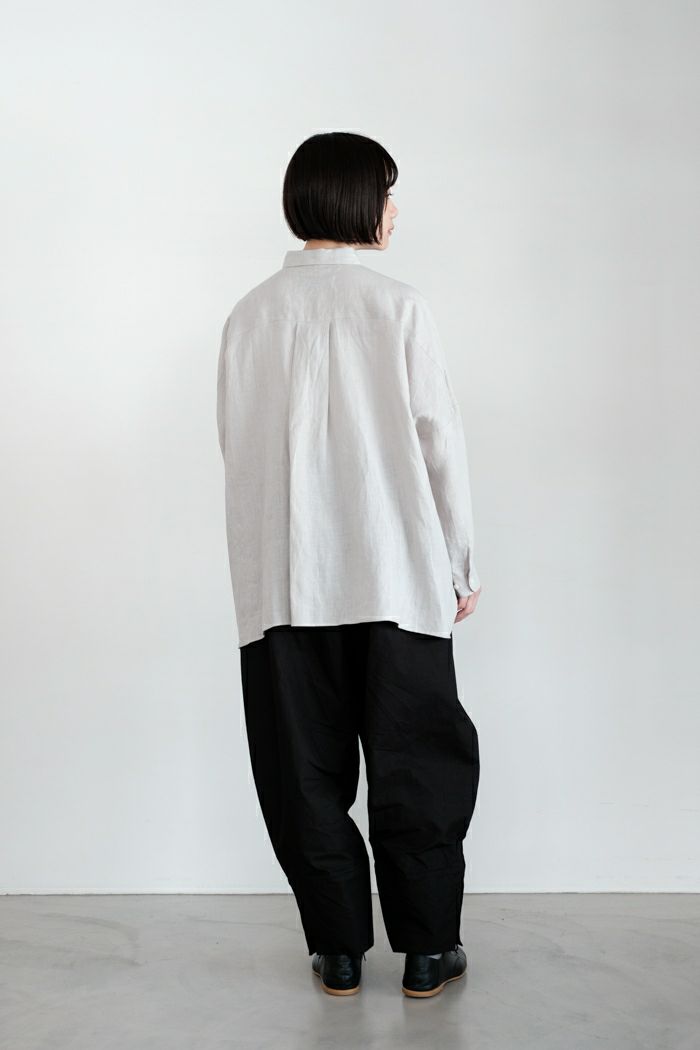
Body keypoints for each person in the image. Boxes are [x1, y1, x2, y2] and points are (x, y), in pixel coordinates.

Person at [216, 131, 482, 998]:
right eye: (387, 192)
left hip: (285, 584)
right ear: (356, 200)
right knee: (419, 763)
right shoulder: (397, 306)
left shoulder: (251, 315)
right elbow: (439, 443)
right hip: (395, 571)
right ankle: (427, 950)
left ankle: (337, 950)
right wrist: (459, 563)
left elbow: (237, 448)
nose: (395, 210)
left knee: (302, 772)